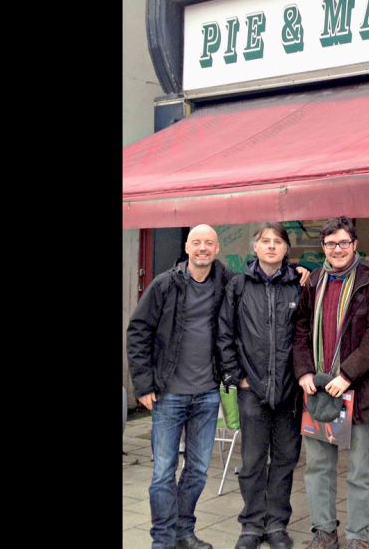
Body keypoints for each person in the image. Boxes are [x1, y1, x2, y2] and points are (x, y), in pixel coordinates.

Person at [127, 224, 234, 549]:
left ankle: (183, 533)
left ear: (217, 249)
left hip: (206, 393)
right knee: (163, 471)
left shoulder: (226, 283)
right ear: (187, 248)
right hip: (168, 394)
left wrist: (299, 272)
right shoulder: (165, 284)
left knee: (198, 470)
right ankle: (162, 539)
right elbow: (138, 331)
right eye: (197, 242)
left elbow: (261, 283)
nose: (203, 248)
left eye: (209, 243)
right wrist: (143, 384)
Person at [292, 216, 369, 549]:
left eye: (344, 243)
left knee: (358, 470)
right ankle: (324, 532)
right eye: (331, 243)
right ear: (323, 247)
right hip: (318, 390)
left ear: (354, 245)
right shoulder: (314, 281)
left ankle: (358, 537)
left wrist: (347, 374)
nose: (338, 249)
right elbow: (301, 331)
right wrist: (304, 372)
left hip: (356, 391)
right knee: (318, 467)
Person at [219, 223, 306, 549]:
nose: (271, 246)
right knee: (253, 460)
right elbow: (225, 334)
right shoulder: (239, 286)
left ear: (286, 249)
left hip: (289, 390)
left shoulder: (298, 285)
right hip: (251, 388)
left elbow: (305, 335)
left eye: (278, 242)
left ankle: (276, 526)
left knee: (285, 459)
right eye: (265, 241)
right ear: (255, 248)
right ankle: (252, 526)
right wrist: (235, 375)